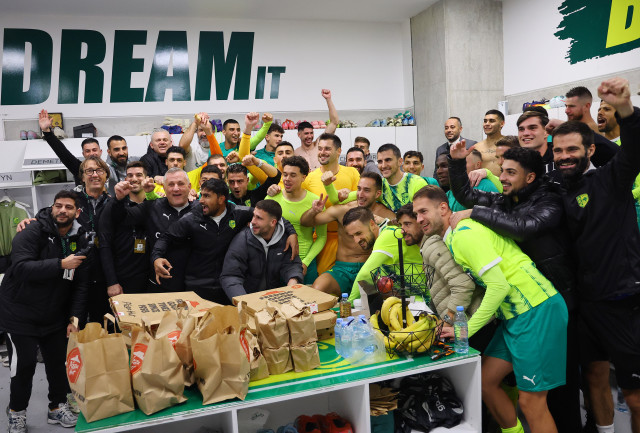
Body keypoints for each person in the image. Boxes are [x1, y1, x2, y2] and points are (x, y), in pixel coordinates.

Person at [448, 144, 581, 432]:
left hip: (542, 304)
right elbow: (467, 194)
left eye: (510, 172)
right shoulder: (507, 199)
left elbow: (523, 227)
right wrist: (458, 163)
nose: (502, 178)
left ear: (530, 177)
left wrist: (475, 213)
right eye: (501, 171)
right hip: (516, 312)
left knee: (536, 402)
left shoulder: (550, 199)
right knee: (486, 382)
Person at [416, 185, 567, 433]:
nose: (419, 219)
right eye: (416, 213)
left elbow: (499, 287)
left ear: (443, 208)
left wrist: (464, 330)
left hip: (536, 310)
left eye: (423, 211)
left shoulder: (463, 235)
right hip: (513, 317)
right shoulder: (453, 237)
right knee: (486, 382)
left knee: (531, 403)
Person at [552, 77, 640, 433]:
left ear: (590, 150)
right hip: (586, 305)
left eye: (572, 150)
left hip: (623, 301)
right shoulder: (560, 191)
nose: (564, 157)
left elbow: (634, 149)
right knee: (593, 378)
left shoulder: (611, 178)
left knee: (634, 396)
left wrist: (626, 109)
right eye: (558, 151)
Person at [0, 190, 90, 432]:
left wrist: (74, 318)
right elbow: (20, 268)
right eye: (58, 205)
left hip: (53, 314)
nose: (62, 210)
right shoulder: (31, 231)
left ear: (77, 212)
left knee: (58, 364)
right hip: (19, 314)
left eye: (68, 207)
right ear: (52, 208)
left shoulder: (80, 239)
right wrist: (60, 264)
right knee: (24, 365)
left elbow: (80, 283)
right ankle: (17, 412)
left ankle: (56, 407)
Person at [300, 173, 395, 296]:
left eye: (366, 190)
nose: (360, 194)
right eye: (359, 189)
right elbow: (305, 223)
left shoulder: (387, 216)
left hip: (373, 269)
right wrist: (313, 211)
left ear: (377, 194)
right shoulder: (344, 209)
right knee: (318, 287)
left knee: (386, 296)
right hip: (343, 269)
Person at [112, 168, 196, 292]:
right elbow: (122, 218)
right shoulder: (152, 206)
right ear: (164, 188)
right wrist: (119, 199)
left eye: (181, 184)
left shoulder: (201, 210)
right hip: (159, 285)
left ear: (189, 187)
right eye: (171, 184)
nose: (176, 188)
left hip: (194, 285)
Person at [220, 200, 303, 299]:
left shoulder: (285, 239)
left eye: (259, 218)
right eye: (253, 216)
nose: (253, 222)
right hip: (247, 298)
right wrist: (244, 300)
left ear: (273, 222)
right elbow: (230, 276)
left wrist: (293, 279)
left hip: (274, 298)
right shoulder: (242, 239)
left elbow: (292, 264)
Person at [38, 109, 131, 196]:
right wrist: (47, 132)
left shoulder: (111, 169)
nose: (92, 153)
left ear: (100, 152)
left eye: (94, 150)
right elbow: (62, 153)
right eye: (87, 151)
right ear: (83, 154)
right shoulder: (79, 168)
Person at [267, 156, 327, 285]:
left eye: (293, 175)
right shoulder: (271, 198)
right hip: (277, 263)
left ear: (303, 177)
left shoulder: (316, 202)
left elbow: (322, 237)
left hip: (306, 263)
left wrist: (306, 262)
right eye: (285, 174)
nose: (287, 179)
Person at [347, 204, 424, 302]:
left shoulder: (388, 235)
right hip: (405, 300)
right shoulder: (388, 232)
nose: (356, 240)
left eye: (359, 233)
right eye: (352, 236)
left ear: (372, 224)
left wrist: (349, 303)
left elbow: (365, 275)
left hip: (417, 302)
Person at [98, 161, 150, 296]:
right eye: (130, 175)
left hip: (151, 278)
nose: (134, 179)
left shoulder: (156, 203)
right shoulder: (113, 205)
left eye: (139, 175)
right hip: (122, 277)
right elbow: (104, 245)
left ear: (146, 178)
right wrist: (112, 281)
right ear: (125, 179)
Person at [546, 86, 619, 168]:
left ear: (586, 106)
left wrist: (565, 127)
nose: (566, 110)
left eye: (571, 106)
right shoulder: (575, 130)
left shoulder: (594, 131)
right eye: (566, 106)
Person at [294, 89, 339, 171]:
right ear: (299, 135)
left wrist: (328, 99)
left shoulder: (319, 144)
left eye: (311, 133)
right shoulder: (296, 153)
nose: (310, 136)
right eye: (306, 133)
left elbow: (334, 123)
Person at [377, 143, 427, 212]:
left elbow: (424, 214)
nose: (383, 166)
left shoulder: (417, 183)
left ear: (400, 162)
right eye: (380, 162)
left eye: (388, 160)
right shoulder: (379, 185)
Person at [473, 110, 505, 176]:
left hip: (506, 181)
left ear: (502, 124)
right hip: (485, 182)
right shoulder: (476, 147)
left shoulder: (510, 144)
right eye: (485, 121)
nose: (487, 124)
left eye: (492, 121)